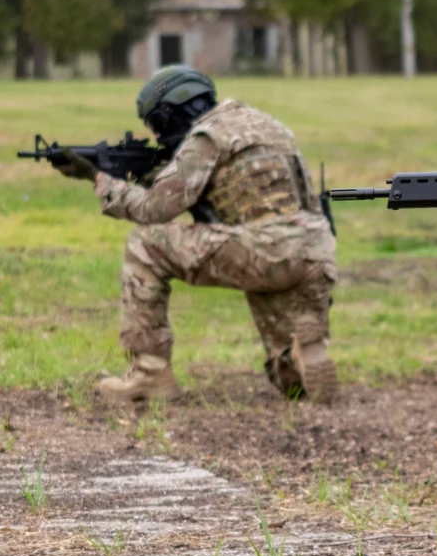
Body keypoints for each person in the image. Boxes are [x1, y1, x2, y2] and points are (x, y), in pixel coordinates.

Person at [51, 65, 338, 403]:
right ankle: (304, 354)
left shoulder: (208, 136)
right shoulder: (269, 125)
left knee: (145, 243)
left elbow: (154, 209)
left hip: (265, 249)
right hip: (315, 251)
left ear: (174, 111)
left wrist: (99, 179)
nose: (159, 136)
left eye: (157, 125)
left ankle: (150, 372)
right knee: (288, 381)